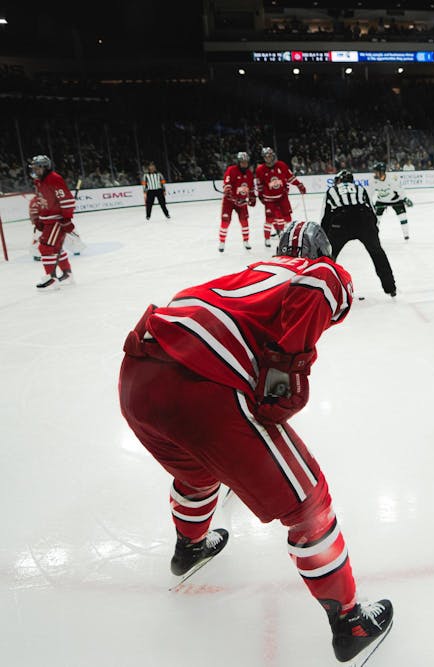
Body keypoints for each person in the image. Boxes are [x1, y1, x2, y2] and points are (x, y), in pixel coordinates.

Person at [117, 220, 394, 664]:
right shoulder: (320, 271)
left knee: (196, 471)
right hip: (201, 385)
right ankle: (350, 621)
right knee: (308, 503)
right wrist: (283, 382)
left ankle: (189, 547)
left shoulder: (247, 275)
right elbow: (320, 285)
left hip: (137, 377)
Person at [321, 169, 397, 298]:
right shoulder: (360, 188)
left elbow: (326, 216)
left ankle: (323, 289)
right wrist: (374, 231)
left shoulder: (331, 191)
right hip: (363, 219)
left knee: (328, 257)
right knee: (377, 253)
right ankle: (390, 287)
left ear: (339, 180)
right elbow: (372, 210)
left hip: (341, 220)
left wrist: (325, 238)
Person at [30, 155, 77, 290]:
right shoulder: (39, 181)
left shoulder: (54, 179)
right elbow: (42, 200)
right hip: (48, 219)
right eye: (34, 168)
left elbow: (66, 199)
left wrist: (66, 219)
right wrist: (40, 218)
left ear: (45, 167)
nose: (35, 170)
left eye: (37, 168)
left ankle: (51, 279)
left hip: (56, 220)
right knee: (55, 248)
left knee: (46, 248)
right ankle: (67, 274)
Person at [255, 146, 306, 247]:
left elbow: (290, 178)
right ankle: (267, 238)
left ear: (273, 156)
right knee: (269, 219)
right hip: (269, 199)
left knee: (287, 217)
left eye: (269, 156)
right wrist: (260, 196)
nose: (268, 158)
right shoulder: (260, 169)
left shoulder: (281, 165)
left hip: (282, 197)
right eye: (266, 157)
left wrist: (299, 185)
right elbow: (259, 185)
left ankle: (287, 235)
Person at [218, 151, 256, 252]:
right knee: (225, 221)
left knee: (244, 221)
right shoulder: (231, 170)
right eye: (242, 162)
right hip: (229, 201)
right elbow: (227, 181)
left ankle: (246, 241)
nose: (244, 164)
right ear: (238, 162)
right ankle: (222, 242)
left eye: (246, 162)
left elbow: (251, 188)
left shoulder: (249, 174)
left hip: (242, 201)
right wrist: (228, 190)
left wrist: (252, 198)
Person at [370, 161, 413, 240]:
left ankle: (406, 235)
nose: (375, 174)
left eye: (376, 172)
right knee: (376, 219)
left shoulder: (392, 179)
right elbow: (370, 193)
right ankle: (372, 235)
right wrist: (370, 204)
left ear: (382, 172)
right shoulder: (373, 180)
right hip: (381, 200)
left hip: (395, 200)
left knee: (403, 217)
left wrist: (405, 199)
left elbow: (400, 190)